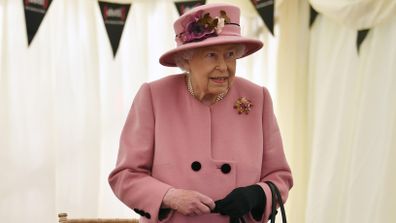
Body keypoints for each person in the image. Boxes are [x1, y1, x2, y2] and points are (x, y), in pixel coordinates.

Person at [108, 3, 293, 223]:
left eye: (230, 55)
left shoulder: (257, 97)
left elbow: (280, 177)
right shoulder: (154, 96)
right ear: (186, 58)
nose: (223, 67)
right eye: (212, 55)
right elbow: (125, 176)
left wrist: (257, 194)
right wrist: (170, 197)